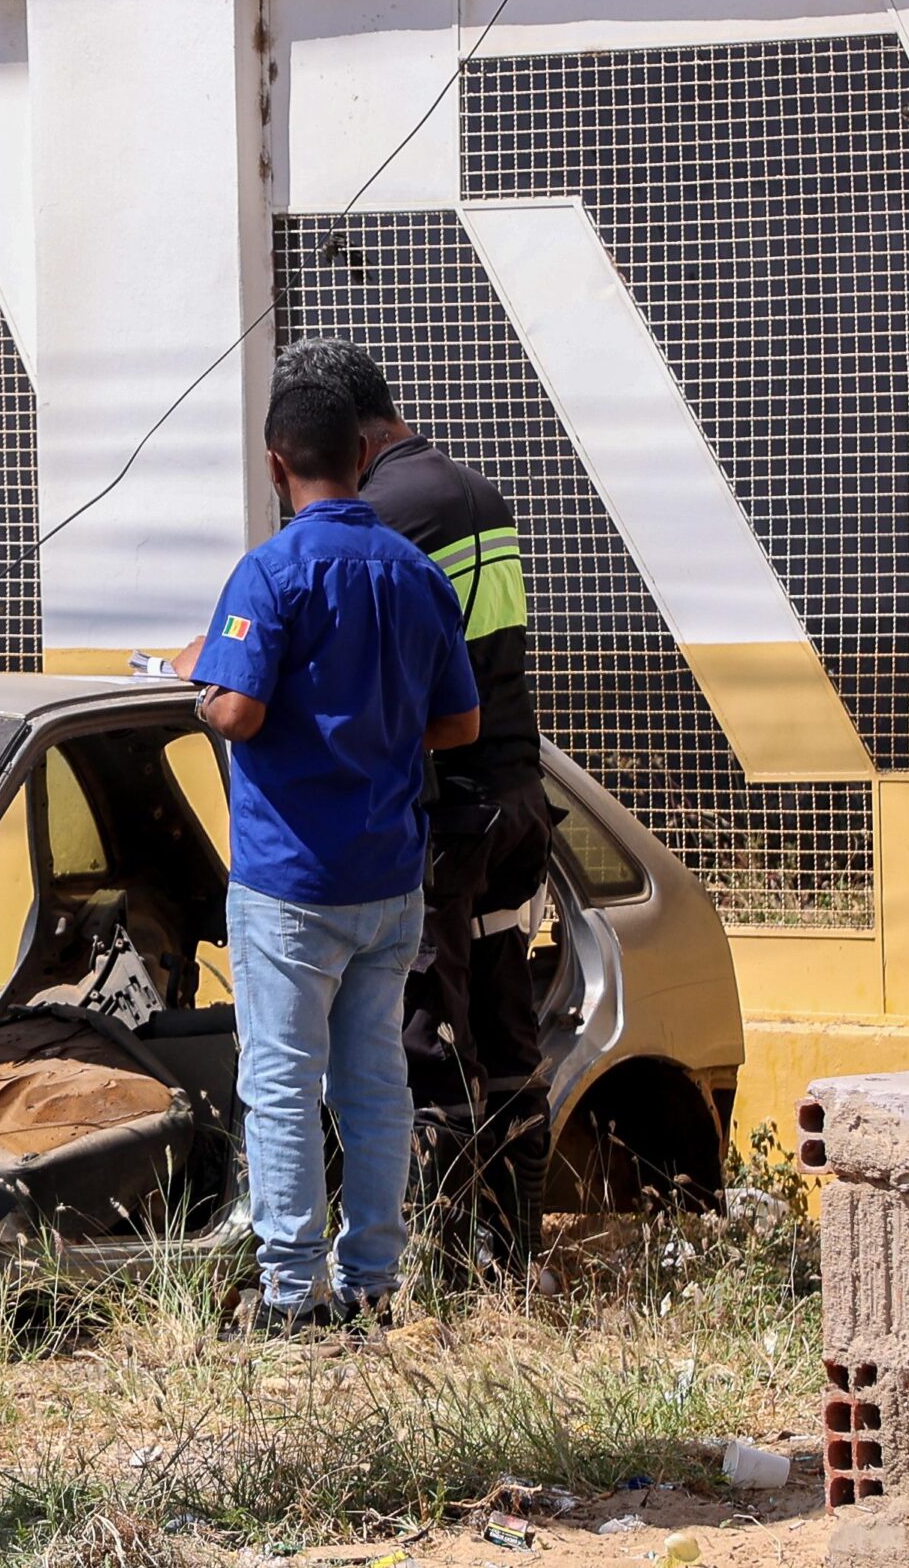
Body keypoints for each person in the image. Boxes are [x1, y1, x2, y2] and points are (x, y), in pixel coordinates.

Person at [174, 340, 480, 1333]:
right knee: (372, 1083)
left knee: (279, 1085)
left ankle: (290, 1293)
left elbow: (237, 715)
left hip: (290, 882)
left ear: (275, 463)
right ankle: (374, 1288)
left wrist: (206, 688)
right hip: (389, 880)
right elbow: (460, 725)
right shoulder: (416, 575)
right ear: (361, 451)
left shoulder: (269, 573)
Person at [317, 338, 554, 1281]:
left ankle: (448, 1275)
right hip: (518, 801)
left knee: (426, 1036)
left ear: (358, 435)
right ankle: (513, 1260)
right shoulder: (477, 492)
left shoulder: (385, 516)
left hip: (448, 817)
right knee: (506, 1032)